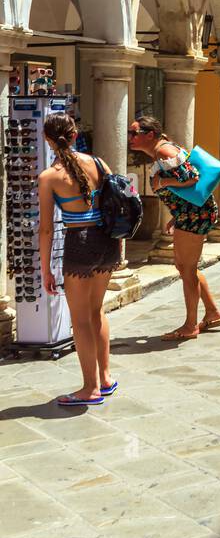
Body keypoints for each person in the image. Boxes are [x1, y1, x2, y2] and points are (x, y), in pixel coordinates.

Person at [38, 113, 119, 407]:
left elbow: (46, 228)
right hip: (108, 241)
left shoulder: (49, 177)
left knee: (80, 319)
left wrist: (45, 268)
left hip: (79, 243)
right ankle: (106, 378)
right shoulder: (98, 163)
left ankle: (90, 388)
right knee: (97, 311)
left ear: (48, 140)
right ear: (74, 135)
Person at [128, 117, 220, 341]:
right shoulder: (161, 151)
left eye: (134, 133)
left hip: (195, 214)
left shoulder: (164, 152)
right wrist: (176, 214)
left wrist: (165, 183)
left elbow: (192, 178)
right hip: (190, 213)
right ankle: (212, 313)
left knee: (187, 268)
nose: (131, 138)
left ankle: (191, 326)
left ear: (150, 134)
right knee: (184, 266)